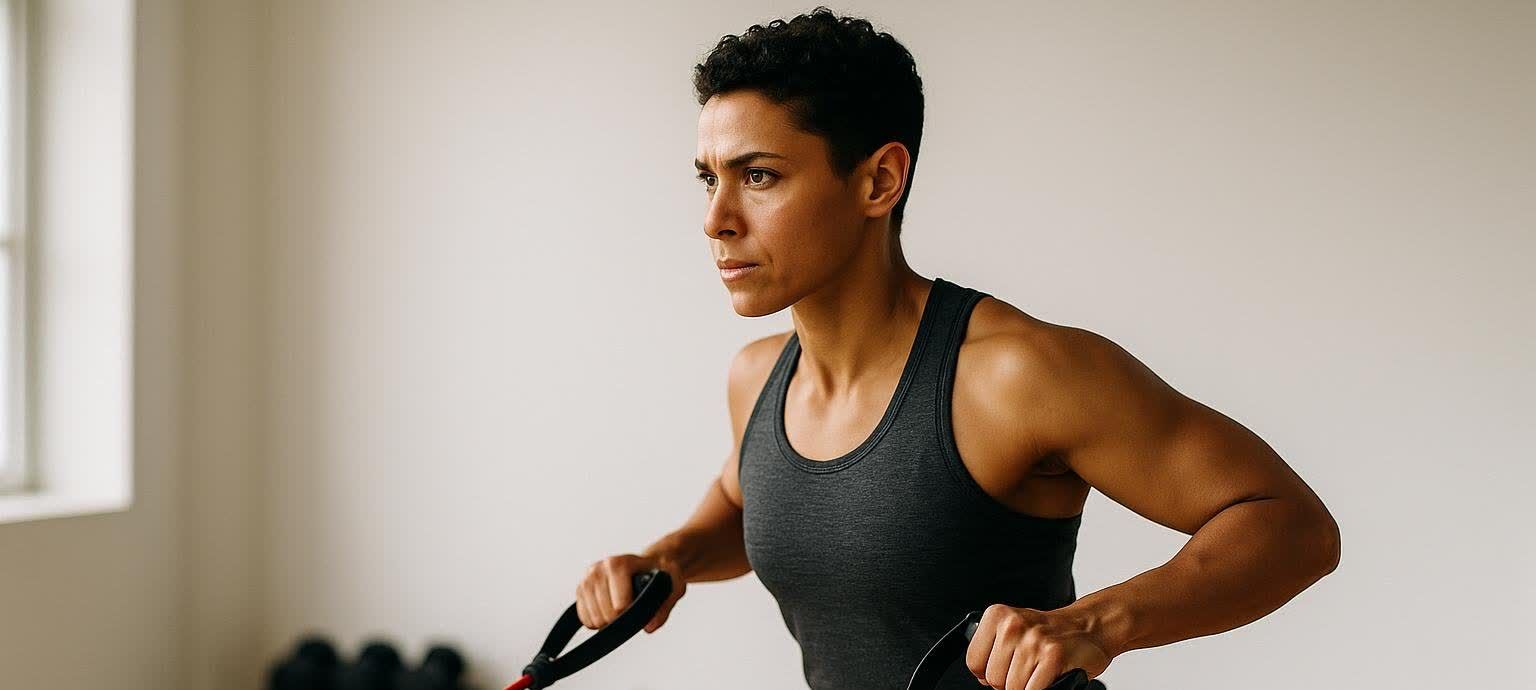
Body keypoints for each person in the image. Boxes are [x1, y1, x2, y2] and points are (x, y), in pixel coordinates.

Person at [572, 7, 1341, 690]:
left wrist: (1095, 626)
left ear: (879, 181)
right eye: (708, 178)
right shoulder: (758, 377)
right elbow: (753, 511)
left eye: (760, 176)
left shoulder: (1018, 373)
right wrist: (668, 559)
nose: (716, 219)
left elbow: (1292, 526)